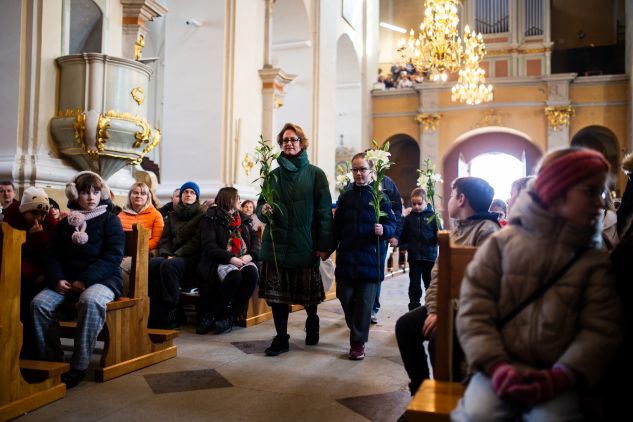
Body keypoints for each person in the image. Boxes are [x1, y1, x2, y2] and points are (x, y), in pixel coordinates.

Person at [452, 148, 622, 421]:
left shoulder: (593, 262)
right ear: (558, 191)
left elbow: (600, 329)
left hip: (559, 376)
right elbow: (474, 311)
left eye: (602, 194)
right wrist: (497, 366)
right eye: (591, 192)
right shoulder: (501, 245)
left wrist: (562, 375)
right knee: (477, 415)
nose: (601, 204)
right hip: (496, 369)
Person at [395, 177, 500, 395]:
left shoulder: (487, 232)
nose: (449, 200)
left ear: (461, 199)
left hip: (469, 311)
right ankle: (421, 391)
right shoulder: (459, 230)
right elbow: (438, 276)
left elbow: (483, 287)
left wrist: (444, 313)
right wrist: (434, 308)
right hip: (445, 306)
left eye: (452, 195)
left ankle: (447, 398)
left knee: (438, 339)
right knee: (405, 326)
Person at [31, 171, 125, 388]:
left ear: (102, 194)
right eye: (85, 192)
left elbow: (113, 256)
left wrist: (85, 280)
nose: (91, 197)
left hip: (103, 280)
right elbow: (52, 255)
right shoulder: (65, 224)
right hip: (66, 280)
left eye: (95, 192)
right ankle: (53, 362)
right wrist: (57, 279)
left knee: (90, 301)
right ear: (75, 195)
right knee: (39, 304)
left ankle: (79, 365)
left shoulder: (110, 220)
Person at [256, 122, 334, 356]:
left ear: (302, 143)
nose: (289, 144)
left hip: (304, 244)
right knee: (278, 297)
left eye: (293, 140)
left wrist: (324, 245)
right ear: (280, 145)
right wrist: (264, 211)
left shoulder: (315, 174)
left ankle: (312, 320)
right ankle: (281, 338)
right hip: (277, 246)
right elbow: (260, 205)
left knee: (306, 294)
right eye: (285, 141)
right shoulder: (273, 176)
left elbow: (324, 213)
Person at [334, 152, 397, 360]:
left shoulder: (380, 197)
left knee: (364, 302)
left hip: (370, 257)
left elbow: (392, 223)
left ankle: (358, 343)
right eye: (355, 169)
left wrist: (384, 230)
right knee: (345, 296)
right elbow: (336, 227)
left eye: (363, 169)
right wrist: (327, 248)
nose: (359, 173)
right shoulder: (345, 196)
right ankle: (357, 329)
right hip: (348, 256)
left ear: (371, 172)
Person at [1, 187, 57, 358]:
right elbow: (9, 251)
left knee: (30, 302)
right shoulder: (11, 221)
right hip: (14, 270)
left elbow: (51, 253)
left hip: (37, 275)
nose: (38, 218)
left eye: (41, 214)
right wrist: (29, 237)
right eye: (33, 213)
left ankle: (32, 352)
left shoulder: (48, 222)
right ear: (24, 210)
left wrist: (39, 237)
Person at [196, 187, 260, 335]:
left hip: (243, 258)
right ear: (228, 199)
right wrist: (230, 258)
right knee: (235, 276)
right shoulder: (211, 217)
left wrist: (250, 256)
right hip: (220, 260)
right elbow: (208, 245)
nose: (239, 201)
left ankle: (231, 317)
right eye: (237, 198)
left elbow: (256, 241)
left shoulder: (243, 218)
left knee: (251, 272)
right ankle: (211, 315)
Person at [149, 181, 205, 329]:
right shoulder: (173, 215)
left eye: (192, 192)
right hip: (172, 256)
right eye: (185, 192)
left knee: (169, 266)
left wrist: (177, 255)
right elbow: (165, 239)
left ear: (197, 197)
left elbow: (197, 241)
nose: (188, 194)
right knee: (153, 264)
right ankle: (154, 312)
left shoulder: (202, 214)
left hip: (192, 258)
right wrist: (167, 254)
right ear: (181, 196)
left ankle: (172, 312)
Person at [399, 187, 439, 311]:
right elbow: (404, 235)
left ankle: (430, 307)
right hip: (414, 257)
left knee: (429, 283)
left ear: (426, 202)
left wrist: (439, 236)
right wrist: (402, 245)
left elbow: (440, 234)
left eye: (419, 203)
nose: (416, 206)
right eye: (414, 203)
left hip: (429, 257)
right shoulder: (409, 218)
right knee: (414, 285)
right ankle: (414, 307)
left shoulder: (433, 217)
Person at [371, 173, 402, 324]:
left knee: (376, 273)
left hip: (379, 238)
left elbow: (396, 210)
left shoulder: (387, 182)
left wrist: (392, 232)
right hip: (357, 238)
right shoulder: (354, 181)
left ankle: (372, 308)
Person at [118, 182, 164, 253]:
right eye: (135, 193)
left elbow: (156, 240)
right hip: (121, 253)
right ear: (130, 195)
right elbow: (115, 238)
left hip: (144, 253)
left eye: (143, 194)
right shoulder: (120, 216)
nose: (138, 196)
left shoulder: (156, 215)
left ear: (148, 197)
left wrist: (138, 249)